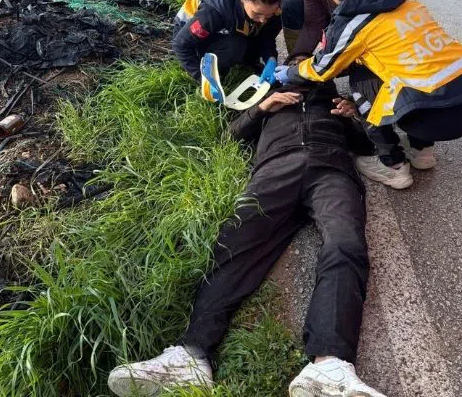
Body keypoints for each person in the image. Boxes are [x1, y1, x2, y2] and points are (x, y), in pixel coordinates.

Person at [108, 56, 387, 397]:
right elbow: (231, 136)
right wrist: (263, 108)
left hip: (332, 171)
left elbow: (370, 146)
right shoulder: (267, 98)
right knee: (235, 243)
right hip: (275, 170)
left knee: (346, 244)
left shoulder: (333, 104)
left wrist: (354, 118)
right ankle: (191, 356)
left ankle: (329, 365)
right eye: (296, 67)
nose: (304, 74)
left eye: (311, 69)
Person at [275, 0, 462, 189]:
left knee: (362, 76)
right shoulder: (404, 0)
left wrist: (289, 73)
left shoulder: (355, 22)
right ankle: (422, 152)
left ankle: (393, 165)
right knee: (410, 70)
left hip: (436, 117)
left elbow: (322, 69)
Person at [172, 0, 286, 87]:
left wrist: (271, 58)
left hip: (232, 22)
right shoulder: (214, 12)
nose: (263, 20)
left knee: (251, 41)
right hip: (191, 32)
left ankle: (246, 61)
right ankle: (211, 65)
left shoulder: (273, 5)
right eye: (257, 13)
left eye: (268, 15)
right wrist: (201, 78)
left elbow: (266, 35)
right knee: (236, 46)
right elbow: (180, 44)